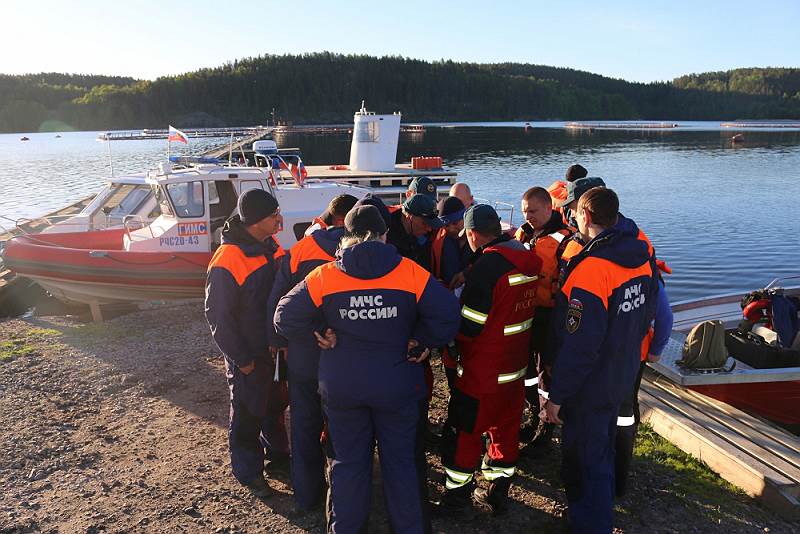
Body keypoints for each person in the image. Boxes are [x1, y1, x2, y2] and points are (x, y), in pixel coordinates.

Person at [274, 205, 460, 533]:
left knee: (346, 465)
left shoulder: (326, 275)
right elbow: (448, 314)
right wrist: (421, 341)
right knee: (402, 464)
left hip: (344, 386)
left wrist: (318, 332)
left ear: (346, 236)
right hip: (397, 385)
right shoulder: (410, 272)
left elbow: (284, 316)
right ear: (385, 234)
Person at [542, 187, 658, 533]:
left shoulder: (592, 271)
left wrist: (557, 397)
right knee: (603, 452)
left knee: (587, 458)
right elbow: (646, 314)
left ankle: (591, 523)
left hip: (590, 386)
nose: (573, 217)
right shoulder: (641, 257)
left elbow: (580, 345)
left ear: (587, 217)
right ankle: (596, 512)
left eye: (575, 212)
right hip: (622, 374)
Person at [438, 204, 542, 517]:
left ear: (472, 234)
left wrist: (447, 330)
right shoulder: (528, 261)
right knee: (505, 430)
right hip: (514, 366)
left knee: (464, 432)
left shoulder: (486, 268)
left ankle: (457, 498)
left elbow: (470, 326)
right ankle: (497, 494)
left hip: (482, 368)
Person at [204, 189, 289, 498]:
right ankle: (248, 472)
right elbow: (217, 317)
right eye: (273, 215)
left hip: (273, 349)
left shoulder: (270, 245)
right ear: (255, 221)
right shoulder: (227, 259)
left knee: (274, 406)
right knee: (247, 412)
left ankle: (278, 458)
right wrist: (242, 360)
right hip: (250, 355)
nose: (280, 219)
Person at [266, 206, 350, 514]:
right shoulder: (358, 253)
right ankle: (343, 497)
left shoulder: (299, 251)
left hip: (302, 354)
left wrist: (277, 343)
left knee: (303, 425)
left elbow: (277, 302)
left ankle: (306, 495)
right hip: (342, 357)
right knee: (344, 427)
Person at [514, 186, 575, 452]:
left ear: (550, 209)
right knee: (526, 370)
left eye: (533, 211)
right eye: (525, 211)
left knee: (546, 372)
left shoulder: (566, 241)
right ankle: (532, 413)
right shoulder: (524, 233)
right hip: (524, 311)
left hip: (550, 315)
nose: (528, 216)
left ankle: (546, 428)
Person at [614, 260, 673, 498]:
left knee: (619, 414)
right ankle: (619, 475)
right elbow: (665, 317)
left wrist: (657, 349)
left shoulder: (608, 266)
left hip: (614, 356)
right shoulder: (647, 270)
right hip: (634, 355)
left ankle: (614, 477)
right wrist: (656, 349)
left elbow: (665, 317)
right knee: (626, 412)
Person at [386, 193, 443, 271]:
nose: (429, 229)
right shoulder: (386, 237)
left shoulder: (424, 235)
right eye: (424, 223)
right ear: (409, 217)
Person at [430, 196, 470, 287]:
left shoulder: (482, 239)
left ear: (465, 218)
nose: (451, 229)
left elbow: (509, 278)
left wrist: (468, 273)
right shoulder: (439, 241)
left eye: (455, 223)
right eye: (446, 225)